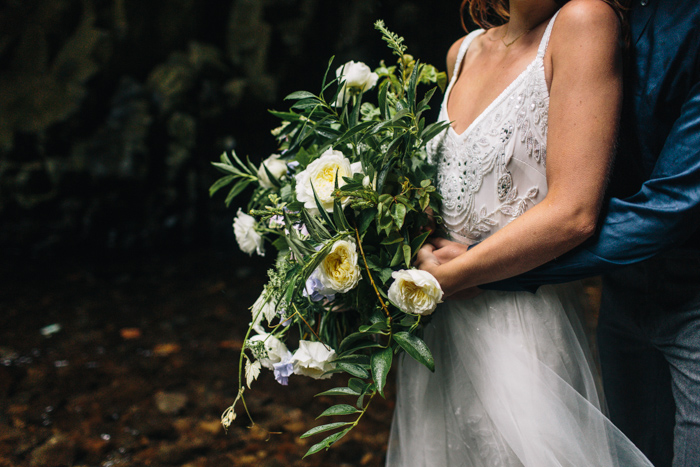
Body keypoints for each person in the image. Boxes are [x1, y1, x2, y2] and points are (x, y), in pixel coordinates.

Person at [423, 1, 700, 466]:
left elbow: (668, 205)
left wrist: (481, 270)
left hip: (689, 292)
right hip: (620, 298)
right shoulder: (472, 50)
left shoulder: (593, 19)